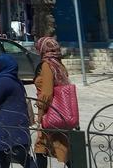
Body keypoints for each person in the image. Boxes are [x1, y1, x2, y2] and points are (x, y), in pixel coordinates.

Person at [33, 37, 71, 168]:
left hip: (50, 113)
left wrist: (41, 116)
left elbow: (47, 93)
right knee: (43, 147)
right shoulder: (59, 65)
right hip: (61, 111)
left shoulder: (47, 65)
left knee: (57, 146)